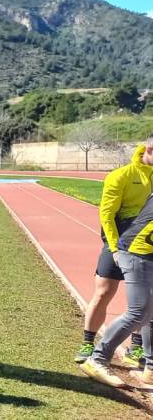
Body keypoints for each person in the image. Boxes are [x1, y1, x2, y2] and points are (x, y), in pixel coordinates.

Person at [75, 141, 153, 367]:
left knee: (146, 298)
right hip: (120, 238)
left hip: (146, 242)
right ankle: (88, 342)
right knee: (104, 292)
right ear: (149, 149)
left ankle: (136, 347)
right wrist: (114, 247)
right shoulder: (121, 175)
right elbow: (107, 214)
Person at [81, 187, 153, 388]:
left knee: (150, 312)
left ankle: (150, 370)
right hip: (137, 253)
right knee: (139, 312)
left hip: (146, 252)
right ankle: (97, 359)